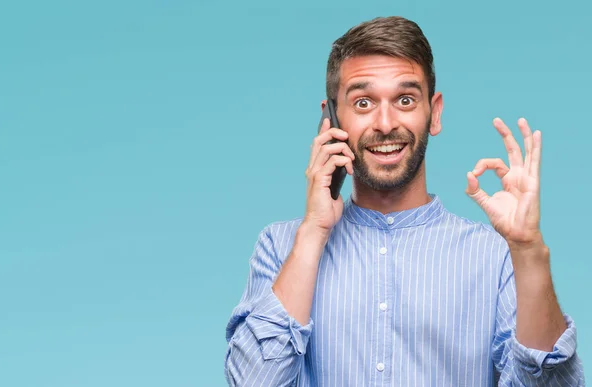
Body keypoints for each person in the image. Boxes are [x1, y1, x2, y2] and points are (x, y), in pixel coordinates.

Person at [223, 16, 585, 386]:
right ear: (330, 118)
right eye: (363, 102)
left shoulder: (495, 257)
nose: (385, 123)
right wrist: (314, 232)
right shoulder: (281, 247)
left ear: (435, 111)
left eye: (405, 99)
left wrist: (528, 249)